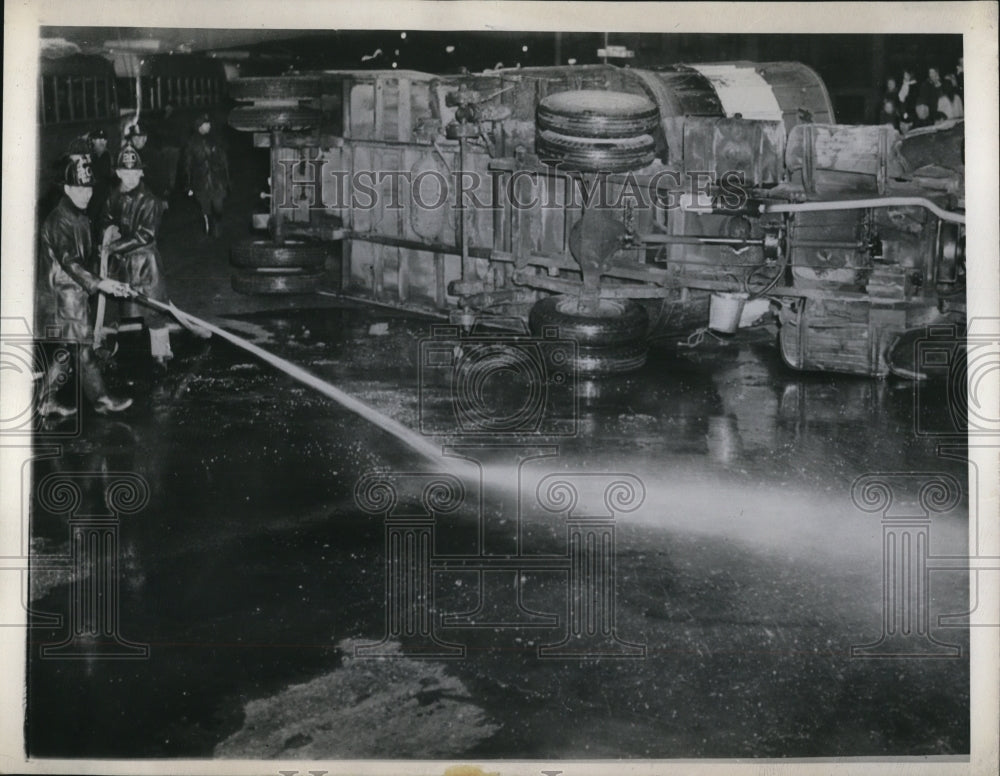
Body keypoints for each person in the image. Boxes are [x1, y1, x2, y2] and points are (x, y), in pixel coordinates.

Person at [37, 153, 134, 417]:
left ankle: (46, 401)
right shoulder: (59, 220)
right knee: (82, 351)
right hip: (63, 297)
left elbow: (83, 258)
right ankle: (102, 400)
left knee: (68, 352)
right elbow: (70, 261)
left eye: (89, 188)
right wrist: (101, 284)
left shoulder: (78, 215)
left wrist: (107, 280)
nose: (86, 193)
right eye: (80, 188)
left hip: (72, 294)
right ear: (67, 188)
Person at [101, 142, 175, 370]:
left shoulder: (150, 201)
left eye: (134, 172)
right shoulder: (114, 196)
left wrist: (115, 247)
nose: (130, 177)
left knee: (153, 310)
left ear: (141, 172)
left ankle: (161, 354)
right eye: (125, 172)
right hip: (120, 263)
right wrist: (107, 233)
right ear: (118, 173)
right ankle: (105, 349)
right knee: (110, 308)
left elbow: (145, 235)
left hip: (144, 262)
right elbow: (106, 218)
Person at [183, 113, 230, 237]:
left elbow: (224, 161)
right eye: (206, 123)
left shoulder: (215, 139)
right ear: (199, 126)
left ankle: (217, 222)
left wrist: (226, 179)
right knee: (205, 206)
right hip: (201, 180)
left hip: (216, 180)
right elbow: (187, 165)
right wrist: (188, 185)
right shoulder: (192, 143)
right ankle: (209, 227)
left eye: (209, 123)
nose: (209, 125)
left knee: (218, 205)